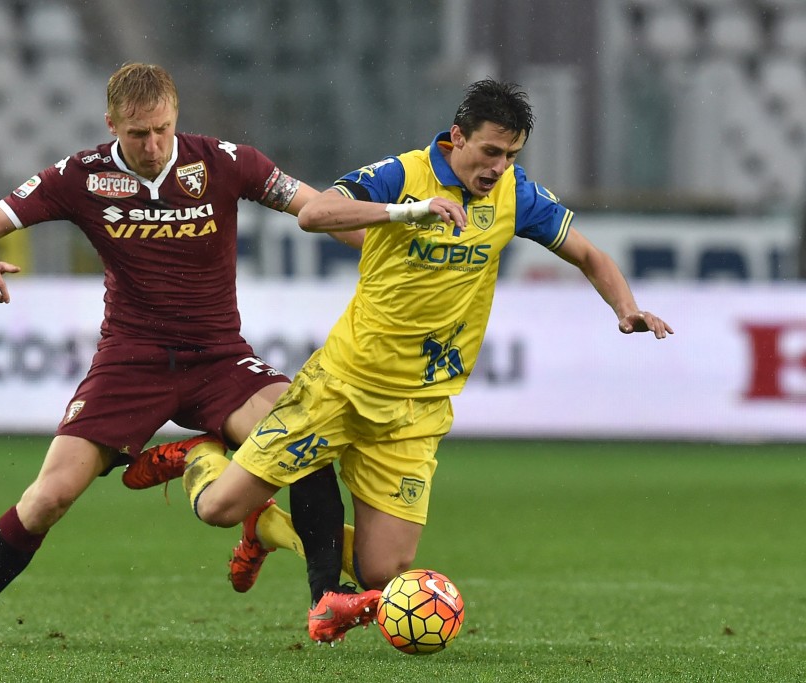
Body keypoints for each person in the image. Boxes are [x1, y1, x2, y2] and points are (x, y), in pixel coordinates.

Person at [125, 78, 675, 643]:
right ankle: (201, 453)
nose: (498, 167)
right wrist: (403, 214)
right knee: (217, 506)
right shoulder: (402, 174)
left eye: (511, 156)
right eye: (490, 152)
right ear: (457, 137)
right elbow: (314, 214)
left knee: (383, 573)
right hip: (341, 387)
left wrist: (626, 308)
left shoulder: (515, 194)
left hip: (418, 409)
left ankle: (267, 530)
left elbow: (587, 253)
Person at [0, 62, 365, 647]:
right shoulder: (79, 175)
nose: (154, 145)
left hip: (220, 360)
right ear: (111, 124)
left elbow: (322, 212)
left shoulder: (226, 162)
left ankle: (325, 601)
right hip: (131, 362)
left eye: (162, 129)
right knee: (50, 495)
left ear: (176, 117)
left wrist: (392, 238)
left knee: (303, 435)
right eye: (138, 134)